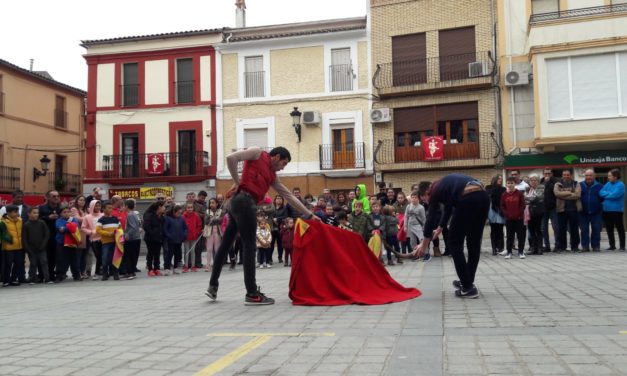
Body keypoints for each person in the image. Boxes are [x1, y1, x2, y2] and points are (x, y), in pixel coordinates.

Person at [205, 146, 320, 306]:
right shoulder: (257, 153)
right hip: (245, 201)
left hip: (239, 203)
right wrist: (239, 183)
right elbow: (231, 158)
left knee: (225, 245)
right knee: (250, 246)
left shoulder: (272, 176)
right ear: (277, 157)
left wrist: (308, 214)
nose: (282, 168)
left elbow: (288, 195)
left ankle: (213, 286)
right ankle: (252, 293)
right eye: (283, 164)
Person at [408, 174, 490, 299]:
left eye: (424, 200)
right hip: (483, 198)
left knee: (454, 243)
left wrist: (424, 246)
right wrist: (440, 228)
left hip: (467, 199)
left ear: (425, 194)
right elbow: (448, 209)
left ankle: (467, 288)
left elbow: (430, 219)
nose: (427, 203)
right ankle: (467, 282)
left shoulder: (434, 190)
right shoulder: (444, 185)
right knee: (473, 243)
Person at [554, 169, 581, 252]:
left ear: (571, 175)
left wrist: (563, 195)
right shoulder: (558, 184)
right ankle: (562, 247)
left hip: (573, 209)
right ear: (562, 175)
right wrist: (569, 193)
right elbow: (557, 194)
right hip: (561, 210)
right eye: (564, 175)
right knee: (561, 229)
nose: (566, 176)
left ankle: (575, 247)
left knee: (574, 230)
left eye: (568, 175)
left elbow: (577, 195)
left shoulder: (576, 183)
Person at [22, 207, 51, 284]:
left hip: (42, 248)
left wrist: (43, 245)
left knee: (44, 262)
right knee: (33, 263)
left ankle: (47, 278)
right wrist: (28, 249)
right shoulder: (26, 225)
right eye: (34, 213)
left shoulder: (42, 223)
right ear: (29, 214)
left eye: (37, 213)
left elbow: (47, 234)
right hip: (31, 249)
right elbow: (24, 238)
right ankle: (32, 278)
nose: (36, 214)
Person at [600, 168, 625, 251]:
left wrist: (606, 195)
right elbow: (600, 192)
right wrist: (608, 194)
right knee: (609, 228)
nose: (608, 177)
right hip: (606, 210)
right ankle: (612, 245)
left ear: (616, 176)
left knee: (619, 228)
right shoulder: (608, 184)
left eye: (610, 176)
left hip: (616, 210)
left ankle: (622, 246)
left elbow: (615, 195)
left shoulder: (620, 185)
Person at [501, 177, 526, 259]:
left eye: (512, 183)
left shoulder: (519, 193)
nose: (510, 184)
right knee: (509, 236)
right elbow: (502, 206)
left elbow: (523, 204)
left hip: (519, 218)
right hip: (509, 219)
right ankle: (509, 252)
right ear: (506, 184)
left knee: (520, 236)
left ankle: (521, 252)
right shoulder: (504, 194)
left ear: (514, 184)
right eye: (508, 183)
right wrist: (506, 214)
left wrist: (519, 213)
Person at [55, 206, 82, 282]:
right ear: (60, 214)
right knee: (61, 260)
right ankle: (59, 275)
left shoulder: (74, 219)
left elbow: (74, 228)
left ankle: (76, 275)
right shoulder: (58, 221)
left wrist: (66, 228)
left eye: (68, 212)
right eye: (64, 212)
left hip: (73, 243)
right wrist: (69, 227)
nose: (67, 214)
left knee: (74, 259)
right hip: (62, 243)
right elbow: (60, 229)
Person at [39, 190, 61, 279]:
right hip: (44, 237)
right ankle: (41, 275)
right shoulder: (41, 208)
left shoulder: (60, 208)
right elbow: (37, 219)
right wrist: (48, 217)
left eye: (57, 196)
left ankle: (51, 274)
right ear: (47, 197)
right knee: (43, 258)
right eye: (54, 196)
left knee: (54, 256)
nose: (56, 198)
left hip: (57, 236)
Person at [579, 169, 603, 253]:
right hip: (583, 212)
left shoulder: (599, 186)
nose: (588, 177)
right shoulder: (580, 185)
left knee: (596, 229)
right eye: (587, 175)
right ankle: (585, 247)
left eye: (590, 175)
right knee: (584, 230)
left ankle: (596, 246)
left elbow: (602, 198)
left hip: (596, 212)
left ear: (594, 176)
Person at [1, 205, 25, 286]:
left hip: (19, 246)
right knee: (8, 264)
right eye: (15, 212)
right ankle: (6, 280)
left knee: (18, 263)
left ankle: (14, 279)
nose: (17, 213)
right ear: (8, 213)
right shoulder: (3, 222)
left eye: (17, 211)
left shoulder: (20, 220)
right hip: (8, 247)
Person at [96, 201, 121, 281]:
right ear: (103, 209)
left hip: (115, 242)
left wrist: (118, 233)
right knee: (105, 258)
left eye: (111, 208)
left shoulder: (115, 219)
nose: (111, 209)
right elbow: (98, 230)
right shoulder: (101, 220)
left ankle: (115, 273)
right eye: (109, 208)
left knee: (115, 258)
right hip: (106, 242)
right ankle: (105, 273)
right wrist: (108, 234)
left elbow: (120, 228)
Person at [163, 204, 187, 275]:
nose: (179, 214)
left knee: (178, 254)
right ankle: (167, 268)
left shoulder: (182, 218)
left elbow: (185, 228)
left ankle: (176, 268)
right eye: (178, 213)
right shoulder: (167, 218)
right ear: (173, 211)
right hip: (171, 240)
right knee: (169, 254)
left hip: (179, 240)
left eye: (180, 213)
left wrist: (184, 235)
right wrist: (169, 236)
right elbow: (165, 229)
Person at [82, 200, 103, 279]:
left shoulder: (103, 215)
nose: (98, 207)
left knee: (103, 256)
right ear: (92, 206)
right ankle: (98, 272)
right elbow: (83, 228)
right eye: (96, 206)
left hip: (104, 238)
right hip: (94, 239)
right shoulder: (87, 217)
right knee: (98, 256)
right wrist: (91, 232)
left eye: (99, 206)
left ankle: (100, 271)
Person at [143, 201, 165, 276]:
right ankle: (150, 269)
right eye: (163, 207)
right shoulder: (149, 215)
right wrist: (153, 234)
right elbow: (146, 227)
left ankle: (157, 268)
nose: (164, 208)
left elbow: (162, 226)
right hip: (150, 238)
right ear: (159, 207)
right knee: (150, 253)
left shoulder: (161, 216)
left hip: (159, 238)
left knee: (157, 254)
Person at [404, 191, 427, 261]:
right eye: (412, 197)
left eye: (415, 198)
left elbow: (423, 218)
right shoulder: (408, 206)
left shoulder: (421, 207)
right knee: (412, 241)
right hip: (410, 225)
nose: (413, 199)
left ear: (418, 199)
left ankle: (425, 254)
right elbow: (406, 216)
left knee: (422, 240)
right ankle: (416, 254)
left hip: (418, 226)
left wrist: (424, 227)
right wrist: (405, 226)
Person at [525, 174, 545, 255]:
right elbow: (525, 199)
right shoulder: (528, 189)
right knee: (531, 230)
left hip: (538, 212)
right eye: (531, 180)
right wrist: (529, 199)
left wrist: (528, 199)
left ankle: (540, 248)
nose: (533, 182)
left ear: (538, 181)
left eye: (535, 180)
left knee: (538, 230)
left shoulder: (541, 188)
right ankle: (534, 248)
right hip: (529, 212)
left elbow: (537, 197)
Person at [486, 174, 505, 256]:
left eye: (501, 179)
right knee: (493, 230)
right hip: (492, 209)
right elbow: (487, 198)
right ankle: (494, 248)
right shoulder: (488, 188)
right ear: (495, 179)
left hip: (500, 210)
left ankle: (501, 248)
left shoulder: (503, 189)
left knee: (500, 229)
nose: (500, 180)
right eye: (499, 179)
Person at [70, 195, 88, 279]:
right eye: (80, 200)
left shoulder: (86, 210)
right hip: (79, 233)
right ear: (77, 201)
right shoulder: (74, 209)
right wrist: (88, 218)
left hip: (86, 233)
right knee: (78, 254)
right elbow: (77, 219)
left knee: (84, 254)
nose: (82, 202)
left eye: (84, 200)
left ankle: (82, 271)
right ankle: (77, 273)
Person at [122, 199, 141, 279]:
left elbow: (133, 227)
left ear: (126, 206)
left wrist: (127, 234)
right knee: (133, 256)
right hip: (137, 238)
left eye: (124, 206)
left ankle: (130, 272)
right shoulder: (135, 214)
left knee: (128, 256)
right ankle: (131, 272)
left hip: (132, 239)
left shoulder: (130, 215)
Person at [541, 168, 559, 253]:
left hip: (553, 208)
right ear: (543, 174)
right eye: (545, 173)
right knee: (543, 228)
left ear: (552, 174)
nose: (547, 175)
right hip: (543, 208)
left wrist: (548, 182)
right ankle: (547, 246)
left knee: (555, 227)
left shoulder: (556, 181)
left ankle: (557, 246)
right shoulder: (541, 181)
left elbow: (555, 191)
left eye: (549, 173)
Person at [270, 195, 291, 264]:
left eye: (280, 199)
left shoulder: (284, 208)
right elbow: (270, 215)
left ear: (282, 200)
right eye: (277, 198)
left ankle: (280, 257)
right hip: (272, 228)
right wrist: (273, 219)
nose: (278, 200)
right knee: (271, 243)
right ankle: (270, 258)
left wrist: (277, 219)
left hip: (280, 228)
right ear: (275, 200)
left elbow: (285, 217)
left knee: (280, 244)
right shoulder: (272, 207)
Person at [182, 201, 202, 273]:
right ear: (186, 208)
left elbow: (199, 225)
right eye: (188, 207)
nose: (190, 209)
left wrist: (197, 233)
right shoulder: (183, 216)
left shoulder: (196, 215)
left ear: (193, 208)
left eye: (191, 207)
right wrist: (183, 234)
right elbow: (182, 226)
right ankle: (186, 266)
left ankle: (193, 266)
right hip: (186, 237)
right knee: (186, 251)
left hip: (194, 236)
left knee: (193, 251)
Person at [205, 198, 224, 271]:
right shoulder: (207, 211)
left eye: (213, 203)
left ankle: (217, 265)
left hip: (218, 231)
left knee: (217, 249)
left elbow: (221, 220)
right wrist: (216, 220)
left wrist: (213, 220)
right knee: (209, 249)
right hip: (209, 232)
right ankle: (208, 265)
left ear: (217, 204)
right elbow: (206, 221)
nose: (211, 204)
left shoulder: (220, 211)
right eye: (210, 203)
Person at [193, 191, 208, 269]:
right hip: (195, 228)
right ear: (198, 196)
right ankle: (196, 263)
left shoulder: (205, 204)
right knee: (196, 247)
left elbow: (206, 215)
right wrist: (202, 214)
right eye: (202, 197)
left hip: (203, 227)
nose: (203, 199)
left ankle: (198, 262)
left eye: (204, 198)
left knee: (201, 247)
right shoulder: (194, 204)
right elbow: (193, 213)